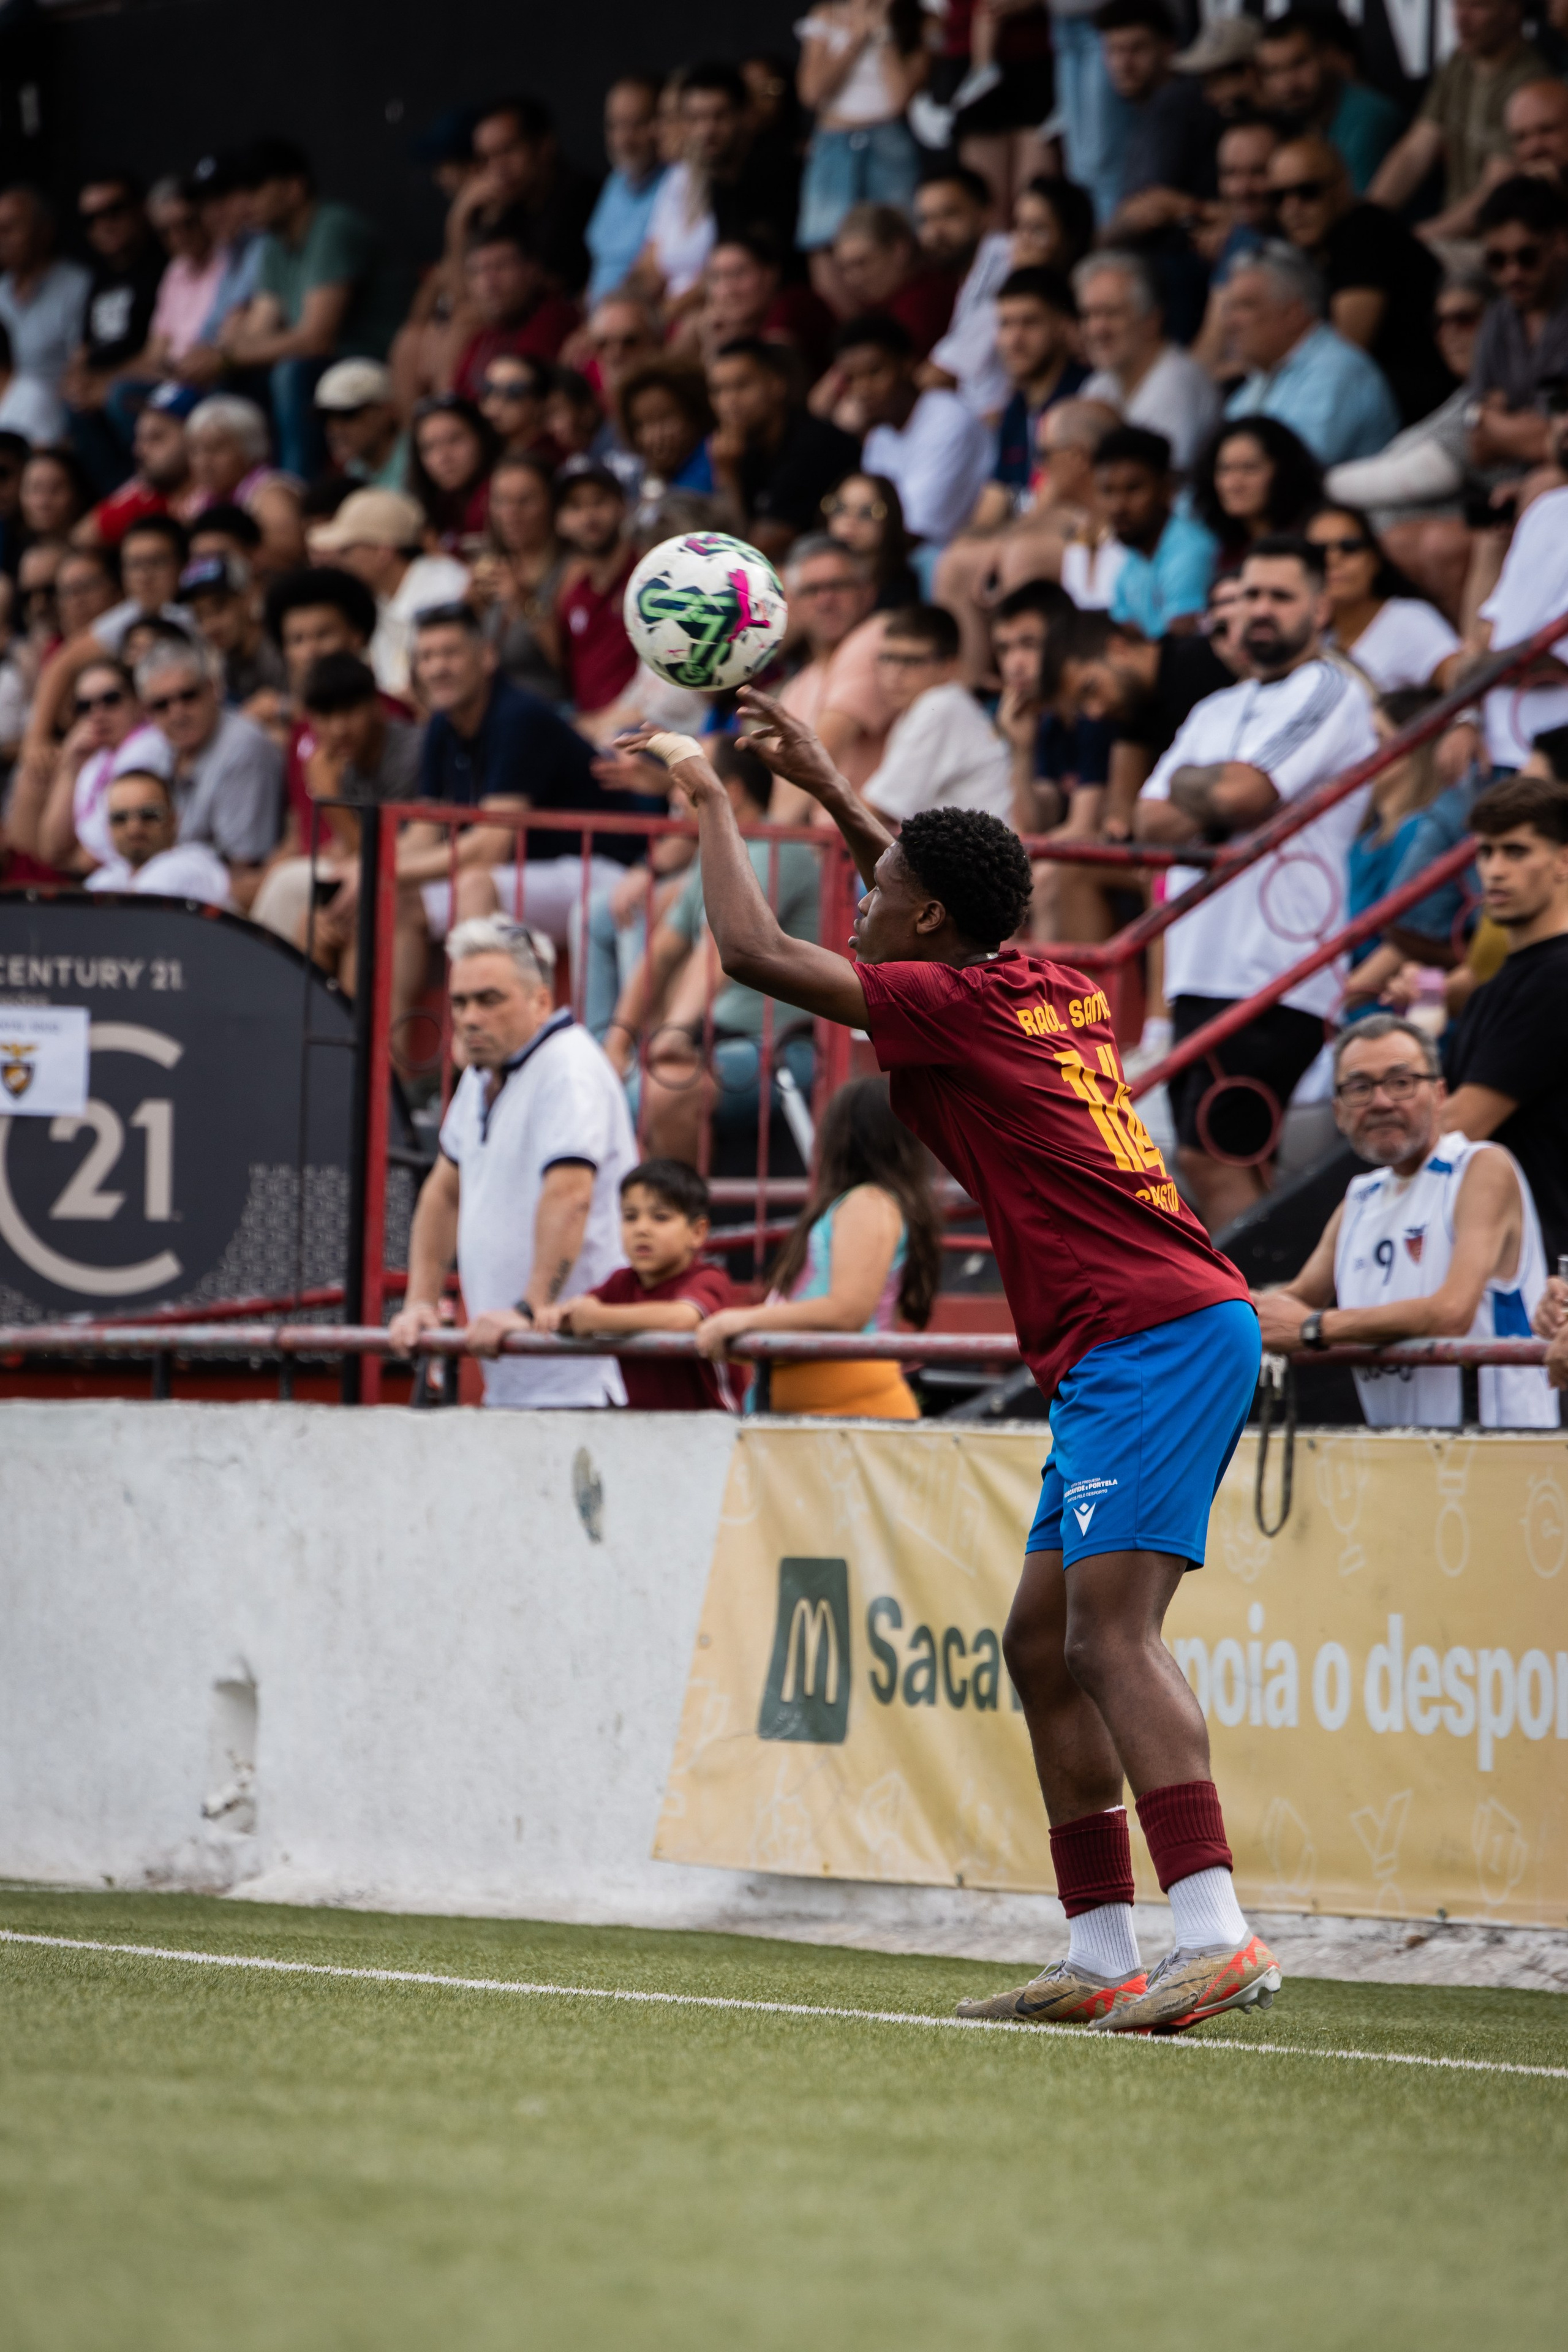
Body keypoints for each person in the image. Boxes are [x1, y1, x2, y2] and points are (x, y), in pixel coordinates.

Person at [625, 693, 1274, 2034]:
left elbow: (747, 949)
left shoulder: (947, 1000)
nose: (863, 901)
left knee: (1108, 1635)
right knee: (1039, 1646)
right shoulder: (1040, 983)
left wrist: (710, 797)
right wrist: (820, 778)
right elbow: (933, 890)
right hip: (1143, 1329)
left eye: (883, 891)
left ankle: (1213, 1932)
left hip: (1145, 1329)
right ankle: (1102, 1952)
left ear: (924, 924)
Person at [1132, 536, 1378, 1232]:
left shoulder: (1330, 688)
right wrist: (1205, 796)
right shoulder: (1213, 709)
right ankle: (1265, 1314)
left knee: (1215, 1155)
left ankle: (1263, 1324)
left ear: (1320, 608)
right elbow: (1145, 822)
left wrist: (1198, 793)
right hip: (1200, 966)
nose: (1259, 612)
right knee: (1224, 1155)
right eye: (1248, 597)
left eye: (1279, 596)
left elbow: (1243, 794)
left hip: (1274, 967)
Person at [1253, 1012, 1556, 1428]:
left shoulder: (1480, 1167)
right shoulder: (1361, 1197)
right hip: (1399, 1455)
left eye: (1401, 1082)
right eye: (1360, 1087)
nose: (1381, 1102)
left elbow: (1451, 1313)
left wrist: (1313, 1328)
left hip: (1498, 1455)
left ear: (1439, 1093)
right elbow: (1299, 1297)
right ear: (1339, 1112)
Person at [388, 916, 639, 1410]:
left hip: (582, 1378)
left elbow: (571, 1195)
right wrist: (420, 1301)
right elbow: (443, 1192)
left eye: (490, 999)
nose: (469, 1017)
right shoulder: (481, 1076)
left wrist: (531, 1307)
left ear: (541, 1001)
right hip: (522, 1373)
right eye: (460, 1002)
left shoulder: (568, 1067)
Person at [695, 1074, 939, 1417]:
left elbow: (848, 1310)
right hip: (822, 1421)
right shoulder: (856, 1204)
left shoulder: (868, 1202)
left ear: (843, 1136)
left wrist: (743, 1321)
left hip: (852, 1420)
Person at [407, 601, 649, 943]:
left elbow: (492, 847)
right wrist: (366, 868)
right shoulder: (441, 722)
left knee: (475, 885)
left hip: (606, 868)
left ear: (488, 656)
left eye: (450, 654)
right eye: (426, 657)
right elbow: (423, 830)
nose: (436, 668)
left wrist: (387, 870)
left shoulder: (519, 716)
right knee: (399, 902)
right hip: (530, 873)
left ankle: (476, 995)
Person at [1440, 767, 1568, 1270]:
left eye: (1516, 852)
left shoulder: (1558, 978)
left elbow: (1458, 1129)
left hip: (1545, 1264)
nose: (1494, 870)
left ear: (1564, 861)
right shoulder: (1498, 985)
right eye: (1486, 852)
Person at [220, 138, 398, 479]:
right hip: (323, 361)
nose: (243, 204)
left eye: (254, 189)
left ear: (293, 188)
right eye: (239, 193)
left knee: (292, 372)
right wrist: (223, 355)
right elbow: (258, 331)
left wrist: (229, 353)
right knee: (230, 380)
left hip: (371, 357)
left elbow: (317, 338)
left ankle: (298, 488)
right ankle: (244, 495)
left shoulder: (332, 226)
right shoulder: (272, 243)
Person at [1269, 134, 1448, 429]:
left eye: (1308, 192)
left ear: (1343, 188)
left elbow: (1344, 354)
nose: (1292, 207)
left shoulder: (1363, 230)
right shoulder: (1313, 252)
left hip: (1417, 411)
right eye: (1279, 197)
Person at [538, 1158, 736, 1412]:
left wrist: (595, 1318)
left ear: (697, 1232)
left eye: (660, 1218)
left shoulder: (708, 1277)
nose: (642, 1229)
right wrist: (561, 1315)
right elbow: (575, 1316)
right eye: (630, 1217)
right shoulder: (622, 1281)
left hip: (715, 1432)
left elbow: (682, 1319)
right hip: (643, 1431)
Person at [1368, 0, 1547, 233]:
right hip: (1449, 236)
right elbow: (1413, 153)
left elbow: (1495, 194)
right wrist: (1366, 219)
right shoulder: (1458, 64)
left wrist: (1419, 239)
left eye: (1477, 6)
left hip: (1493, 243)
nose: (1460, 18)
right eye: (1456, 5)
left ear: (1513, 10)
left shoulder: (1531, 84)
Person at [1222, 244, 1401, 469]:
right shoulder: (1254, 384)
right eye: (1230, 308)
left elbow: (1289, 478)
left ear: (1293, 313)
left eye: (1246, 306)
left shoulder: (1338, 371)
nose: (1230, 323)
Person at [138, 636, 283, 902]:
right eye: (162, 705)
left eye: (188, 696)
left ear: (213, 689)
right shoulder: (160, 750)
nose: (177, 713)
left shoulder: (243, 747)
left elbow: (245, 868)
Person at [830, 314, 992, 548]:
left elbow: (911, 532)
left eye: (874, 372)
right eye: (852, 379)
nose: (862, 389)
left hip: (945, 557)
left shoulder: (948, 418)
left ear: (907, 366)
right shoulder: (880, 435)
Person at [794, 0, 926, 281]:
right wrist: (856, 41)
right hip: (833, 142)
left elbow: (898, 99)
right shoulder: (825, 15)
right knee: (823, 239)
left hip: (890, 141)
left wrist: (882, 36)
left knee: (899, 236)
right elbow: (811, 92)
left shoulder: (918, 18)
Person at [706, 336, 861, 561]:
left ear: (777, 385)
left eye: (741, 386)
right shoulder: (743, 449)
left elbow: (751, 554)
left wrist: (727, 475)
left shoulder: (815, 445)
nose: (728, 401)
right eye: (718, 391)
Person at [309, 485, 469, 699]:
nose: (338, 561)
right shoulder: (377, 598)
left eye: (346, 551)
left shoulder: (445, 586)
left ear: (383, 553)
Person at [772, 532, 895, 803]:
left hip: (880, 842)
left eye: (838, 586)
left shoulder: (878, 636)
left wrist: (774, 839)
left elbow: (816, 759)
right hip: (827, 842)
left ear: (867, 593)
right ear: (793, 603)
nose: (825, 600)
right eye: (811, 590)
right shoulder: (796, 689)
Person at [861, 601, 1011, 820]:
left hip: (983, 850)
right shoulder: (924, 707)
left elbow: (878, 810)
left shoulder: (942, 705)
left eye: (911, 661)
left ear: (949, 667)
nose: (894, 673)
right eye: (888, 658)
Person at [1072, 252, 1219, 473]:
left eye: (1111, 314)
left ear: (1152, 320)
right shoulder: (1099, 385)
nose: (1097, 329)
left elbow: (1155, 486)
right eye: (1088, 315)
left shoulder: (1178, 383)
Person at [1464, 176, 1568, 477]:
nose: (1512, 273)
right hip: (1501, 486)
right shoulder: (1498, 316)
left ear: (1559, 242)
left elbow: (1562, 446)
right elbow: (1477, 445)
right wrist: (1538, 432)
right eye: (1497, 260)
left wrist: (1495, 422)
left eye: (1527, 257)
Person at [1091, 0, 1217, 239]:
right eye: (1114, 51)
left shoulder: (1174, 102)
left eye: (1137, 49)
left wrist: (1099, 240)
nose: (1124, 64)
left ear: (1169, 48)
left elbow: (1151, 209)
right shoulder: (1150, 107)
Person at [1303, 504, 1462, 691]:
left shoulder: (1408, 620)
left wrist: (1464, 719)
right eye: (1318, 552)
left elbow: (1464, 683)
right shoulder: (1313, 641)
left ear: (1374, 560)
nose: (1333, 558)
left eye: (1350, 547)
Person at [1254, 10, 1401, 195]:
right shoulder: (1301, 121)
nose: (1287, 85)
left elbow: (1348, 215)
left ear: (1327, 55)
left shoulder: (1369, 117)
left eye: (1298, 64)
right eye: (1273, 71)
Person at [1092, 424, 1216, 642]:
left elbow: (1179, 650)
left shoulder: (1191, 551)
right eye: (1108, 491)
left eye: (1133, 489)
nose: (1118, 507)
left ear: (1166, 489)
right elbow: (1123, 638)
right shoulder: (1132, 562)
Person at [914, 164, 1016, 420]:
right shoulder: (969, 272)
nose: (934, 232)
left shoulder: (1007, 259)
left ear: (985, 213)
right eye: (926, 220)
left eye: (949, 215)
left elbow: (939, 374)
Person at [468, 452, 565, 701]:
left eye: (525, 501)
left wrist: (524, 602)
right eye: (501, 501)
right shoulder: (492, 569)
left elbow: (569, 666)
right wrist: (468, 608)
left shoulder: (570, 570)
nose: (511, 513)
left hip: (550, 710)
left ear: (551, 503)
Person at [449, 219, 579, 402]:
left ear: (532, 270)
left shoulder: (553, 318)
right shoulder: (481, 338)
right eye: (477, 272)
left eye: (500, 267)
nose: (489, 284)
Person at [85, 756, 232, 909]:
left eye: (149, 814)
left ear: (173, 820)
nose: (134, 828)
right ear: (108, 827)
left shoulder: (187, 868)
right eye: (120, 818)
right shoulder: (107, 879)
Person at [552, 459, 637, 724]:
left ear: (622, 506)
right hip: (589, 730)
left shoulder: (649, 575)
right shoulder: (570, 591)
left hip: (644, 726)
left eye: (599, 501)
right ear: (560, 521)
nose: (589, 517)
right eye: (575, 506)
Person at [0, 186, 89, 432]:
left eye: (11, 227)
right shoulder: (1, 291)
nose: (2, 237)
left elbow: (80, 366)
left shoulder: (77, 286)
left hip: (56, 416)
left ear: (45, 231)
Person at [185, 394, 305, 573]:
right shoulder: (197, 502)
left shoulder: (271, 494)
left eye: (216, 449)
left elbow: (288, 554)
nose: (204, 463)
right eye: (196, 450)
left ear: (251, 449)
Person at [1191, 418, 1323, 574]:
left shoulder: (1316, 537)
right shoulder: (1225, 549)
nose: (1234, 484)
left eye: (1249, 468)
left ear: (1285, 471)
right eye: (1225, 469)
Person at [586, 78, 667, 306]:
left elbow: (653, 278)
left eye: (637, 124)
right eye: (615, 125)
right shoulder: (615, 181)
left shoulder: (675, 184)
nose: (624, 139)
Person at [179, 552, 285, 705]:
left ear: (247, 599)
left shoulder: (280, 647)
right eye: (199, 616)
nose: (210, 626)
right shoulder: (223, 659)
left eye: (219, 608)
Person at [407, 394, 496, 551]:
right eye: (429, 447)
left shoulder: (497, 493)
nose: (443, 457)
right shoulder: (440, 504)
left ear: (481, 437)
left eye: (455, 439)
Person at [821, 468, 919, 608]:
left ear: (891, 520)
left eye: (867, 512)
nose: (850, 521)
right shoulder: (809, 572)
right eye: (840, 508)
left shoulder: (903, 586)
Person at [313, 357, 407, 492]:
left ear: (385, 412)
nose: (334, 428)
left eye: (347, 414)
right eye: (326, 417)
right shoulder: (355, 469)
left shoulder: (418, 460)